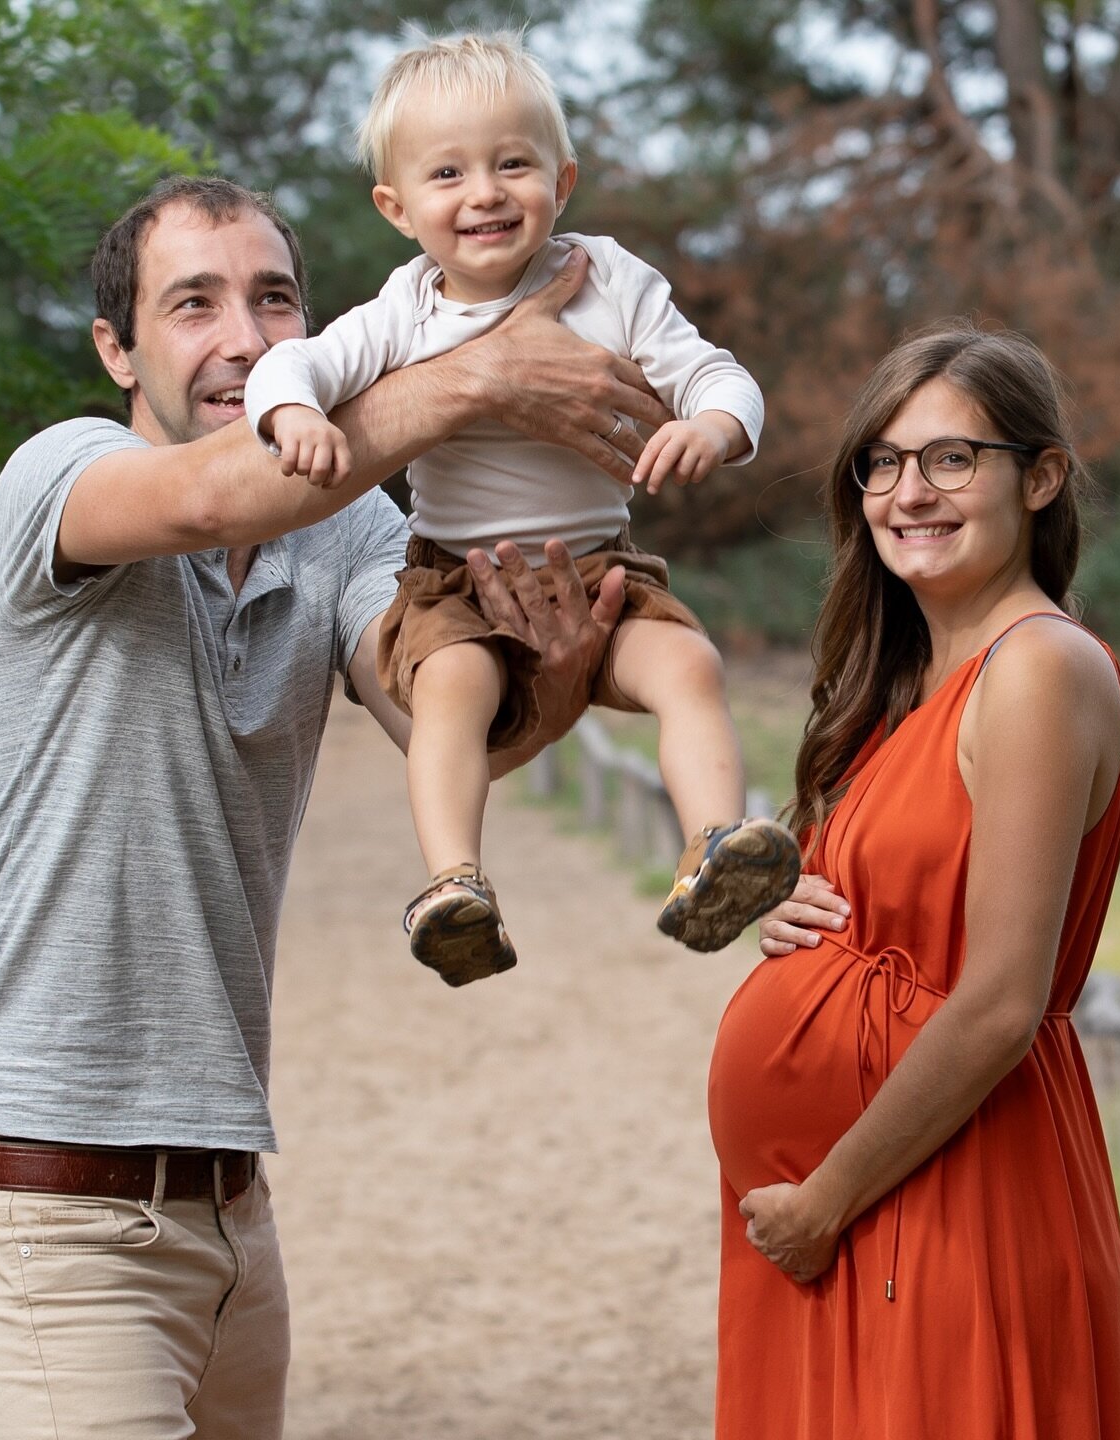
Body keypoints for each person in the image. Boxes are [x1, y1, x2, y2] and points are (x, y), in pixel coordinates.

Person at [0, 173, 679, 1439]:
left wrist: (552, 678)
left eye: (276, 300)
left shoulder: (342, 534)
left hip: (231, 1207)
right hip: (48, 1207)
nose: (248, 339)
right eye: (194, 304)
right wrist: (478, 370)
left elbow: (456, 731)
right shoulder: (61, 474)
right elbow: (222, 491)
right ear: (118, 347)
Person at [243, 32, 800, 987]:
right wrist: (291, 413)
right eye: (448, 172)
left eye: (513, 163)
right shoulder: (405, 309)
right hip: (457, 581)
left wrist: (713, 425)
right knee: (453, 689)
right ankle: (454, 882)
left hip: (602, 572)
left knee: (690, 664)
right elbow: (298, 363)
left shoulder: (612, 280)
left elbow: (720, 374)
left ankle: (716, 848)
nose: (486, 192)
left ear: (563, 177)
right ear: (397, 205)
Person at [707, 320, 1120, 1438]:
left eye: (954, 458)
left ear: (1041, 477)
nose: (911, 491)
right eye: (883, 462)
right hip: (861, 1207)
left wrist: (825, 1201)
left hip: (944, 1194)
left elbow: (999, 1001)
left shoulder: (1037, 667)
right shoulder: (909, 686)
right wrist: (807, 923)